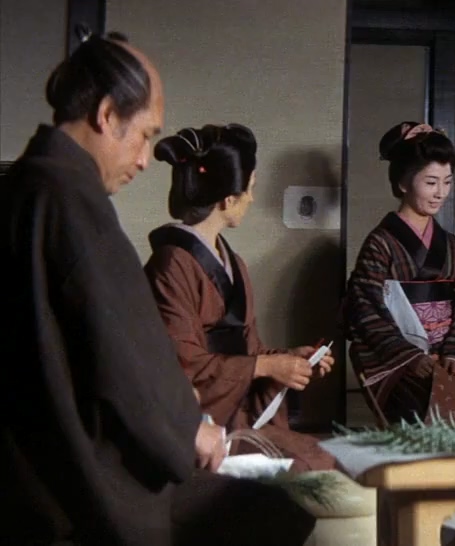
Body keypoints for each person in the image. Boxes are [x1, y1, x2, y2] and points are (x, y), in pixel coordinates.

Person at [0, 32, 314, 545]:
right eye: (145, 135)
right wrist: (187, 424)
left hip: (32, 465)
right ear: (106, 115)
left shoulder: (25, 187)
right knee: (273, 512)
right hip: (74, 477)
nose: (145, 158)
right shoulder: (72, 204)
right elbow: (123, 351)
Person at [144, 123, 337, 472]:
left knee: (328, 458)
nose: (251, 198)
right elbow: (181, 367)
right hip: (201, 425)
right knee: (309, 468)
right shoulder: (171, 264)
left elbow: (249, 349)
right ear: (228, 199)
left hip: (239, 412)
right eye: (249, 189)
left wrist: (289, 360)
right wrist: (265, 366)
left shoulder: (233, 262)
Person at [343, 121, 455, 424]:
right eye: (431, 182)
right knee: (422, 427)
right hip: (399, 357)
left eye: (447, 182)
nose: (441, 193)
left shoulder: (454, 247)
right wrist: (410, 357)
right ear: (403, 182)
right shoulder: (381, 243)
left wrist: (453, 352)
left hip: (446, 353)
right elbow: (365, 305)